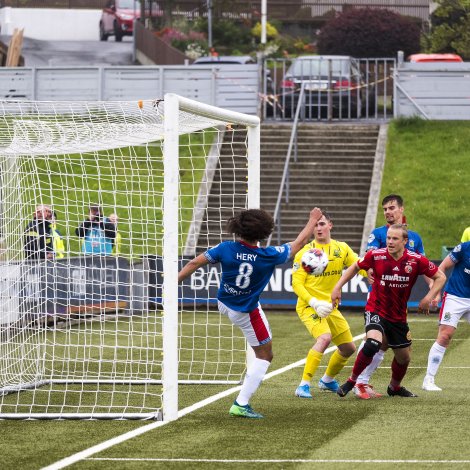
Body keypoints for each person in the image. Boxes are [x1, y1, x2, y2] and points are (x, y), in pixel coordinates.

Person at [178, 207, 323, 419]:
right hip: (245, 311)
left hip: (223, 302)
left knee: (260, 333)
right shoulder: (268, 255)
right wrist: (312, 219)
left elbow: (194, 263)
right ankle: (241, 403)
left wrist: (171, 284)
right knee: (265, 355)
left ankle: (243, 399)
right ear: (264, 233)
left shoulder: (226, 248)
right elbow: (298, 244)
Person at [331, 224, 446, 398]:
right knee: (373, 343)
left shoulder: (415, 260)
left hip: (398, 316)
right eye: (388, 238)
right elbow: (355, 266)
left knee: (404, 358)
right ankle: (352, 381)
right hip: (376, 309)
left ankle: (394, 387)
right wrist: (338, 287)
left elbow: (441, 276)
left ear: (405, 241)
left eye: (395, 239)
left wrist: (428, 297)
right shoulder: (375, 255)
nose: (390, 242)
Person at [354, 193, 428, 400]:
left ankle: (372, 383)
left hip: (399, 302)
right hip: (379, 300)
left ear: (401, 210)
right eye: (385, 209)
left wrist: (434, 291)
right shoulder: (378, 234)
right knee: (374, 341)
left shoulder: (414, 238)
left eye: (392, 208)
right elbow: (368, 260)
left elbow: (424, 265)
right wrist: (368, 271)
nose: (388, 212)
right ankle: (359, 381)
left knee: (390, 347)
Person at [292, 212, 364, 398]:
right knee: (324, 338)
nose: (318, 228)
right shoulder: (304, 253)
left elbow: (358, 265)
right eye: (315, 224)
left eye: (322, 223)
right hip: (309, 306)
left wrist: (369, 274)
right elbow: (296, 284)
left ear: (330, 225)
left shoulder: (341, 248)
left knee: (348, 348)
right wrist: (313, 302)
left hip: (331, 307)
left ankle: (327, 380)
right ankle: (303, 385)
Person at [422, 242, 470, 391]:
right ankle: (428, 379)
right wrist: (436, 293)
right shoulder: (464, 248)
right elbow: (441, 268)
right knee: (445, 336)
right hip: (455, 297)